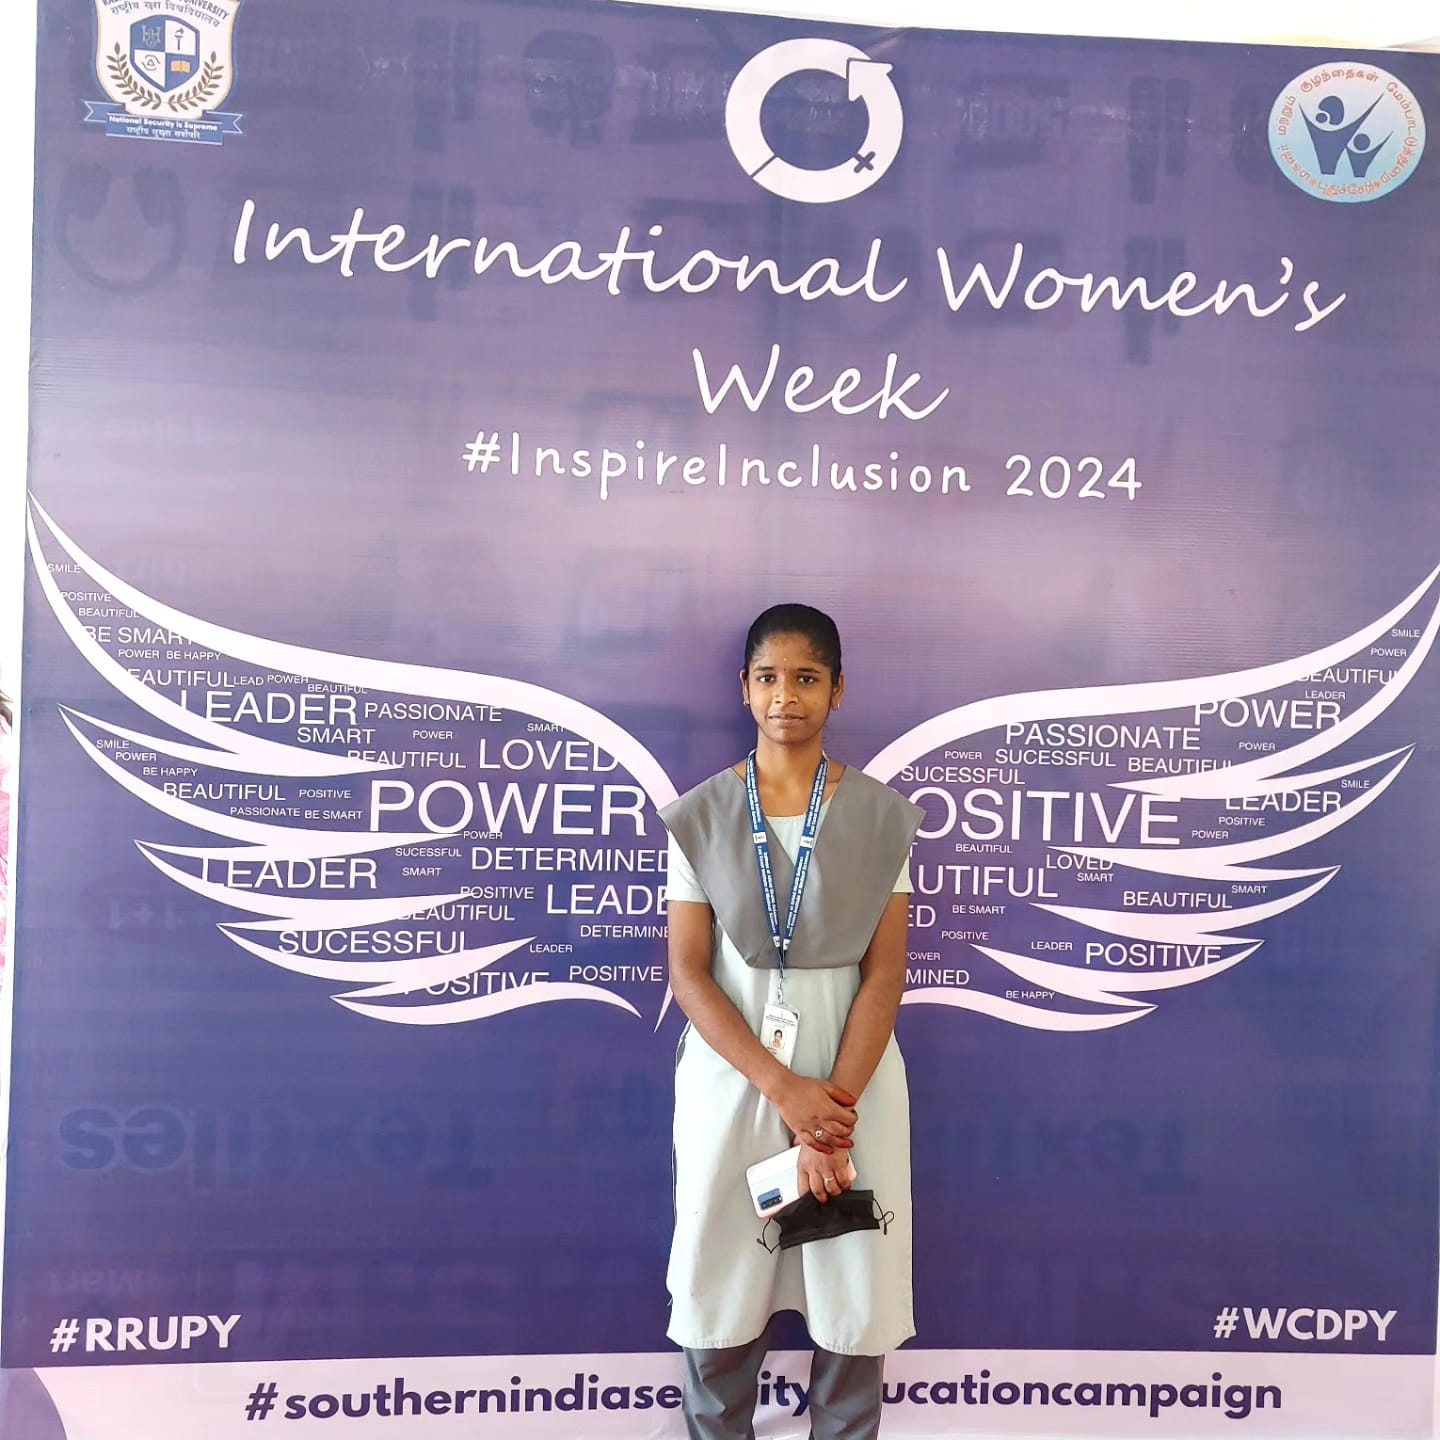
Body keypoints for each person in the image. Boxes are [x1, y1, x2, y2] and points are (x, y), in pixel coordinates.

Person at [660, 604, 922, 1440]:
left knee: (853, 1280)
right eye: (769, 678)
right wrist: (784, 1091)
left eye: (807, 678)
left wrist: (829, 1113)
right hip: (735, 1078)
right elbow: (689, 973)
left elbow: (885, 973)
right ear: (744, 687)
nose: (786, 697)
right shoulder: (702, 816)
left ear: (837, 690)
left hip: (853, 1085)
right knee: (722, 1274)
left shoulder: (880, 817)